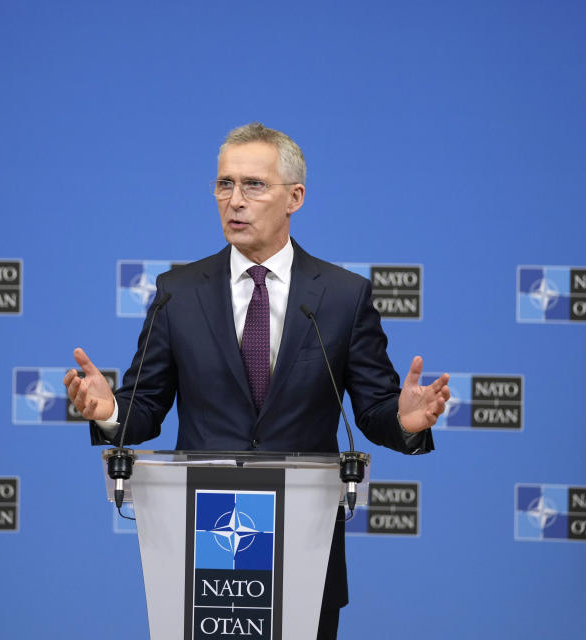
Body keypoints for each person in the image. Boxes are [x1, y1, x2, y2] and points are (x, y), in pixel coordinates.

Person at [65, 122, 450, 640]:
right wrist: (110, 411)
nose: (234, 200)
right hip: (202, 550)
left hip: (304, 550)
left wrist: (403, 420)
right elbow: (145, 408)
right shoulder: (178, 291)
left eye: (253, 185)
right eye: (224, 184)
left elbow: (375, 411)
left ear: (295, 197)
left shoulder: (342, 296)